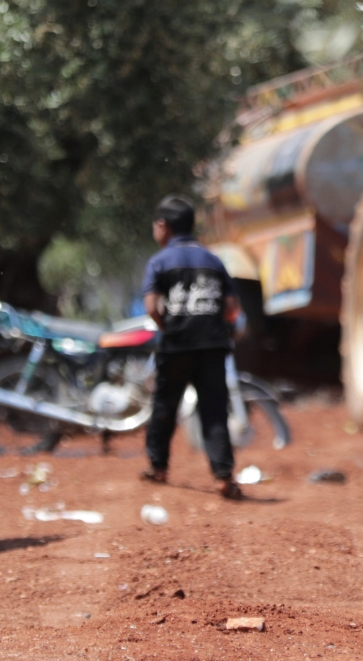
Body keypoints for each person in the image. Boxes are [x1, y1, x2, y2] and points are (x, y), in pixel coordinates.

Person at [140, 195, 243, 500]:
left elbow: (150, 306)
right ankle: (223, 476)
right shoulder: (213, 260)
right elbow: (232, 306)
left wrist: (167, 326)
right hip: (212, 344)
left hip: (176, 345)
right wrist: (215, 324)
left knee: (165, 405)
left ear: (163, 226)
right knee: (214, 409)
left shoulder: (159, 261)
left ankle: (158, 468)